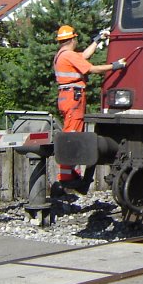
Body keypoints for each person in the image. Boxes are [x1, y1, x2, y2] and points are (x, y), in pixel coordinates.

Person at [53, 24, 125, 192]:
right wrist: (115, 66)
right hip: (73, 98)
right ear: (73, 39)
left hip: (68, 97)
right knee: (72, 136)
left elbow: (84, 56)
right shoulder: (69, 55)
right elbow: (91, 68)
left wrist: (98, 40)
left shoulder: (63, 55)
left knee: (72, 133)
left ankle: (71, 173)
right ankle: (66, 176)